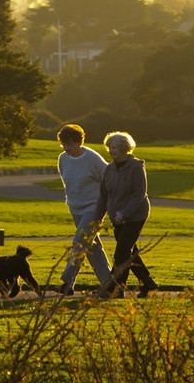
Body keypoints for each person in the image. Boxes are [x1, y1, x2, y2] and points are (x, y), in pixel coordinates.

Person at [94, 131, 158, 299]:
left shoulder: (136, 167)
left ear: (124, 148)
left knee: (121, 252)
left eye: (114, 147)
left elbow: (139, 194)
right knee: (129, 253)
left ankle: (113, 290)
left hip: (135, 215)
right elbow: (103, 196)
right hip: (117, 218)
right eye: (109, 147)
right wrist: (97, 218)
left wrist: (125, 213)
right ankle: (148, 285)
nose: (111, 151)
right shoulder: (109, 169)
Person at [55, 124, 112, 295]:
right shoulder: (63, 159)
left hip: (94, 207)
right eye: (64, 144)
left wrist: (104, 204)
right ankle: (110, 286)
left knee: (80, 242)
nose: (67, 148)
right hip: (75, 207)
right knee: (92, 248)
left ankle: (66, 281)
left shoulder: (93, 159)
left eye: (70, 144)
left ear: (79, 142)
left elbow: (108, 179)